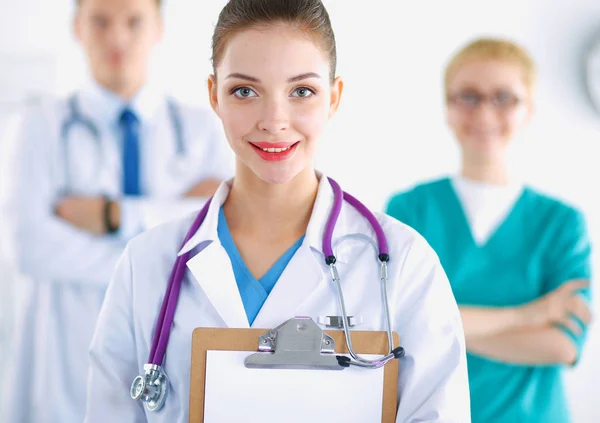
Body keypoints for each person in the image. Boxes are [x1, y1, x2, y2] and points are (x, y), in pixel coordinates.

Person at [83, 0, 471, 421]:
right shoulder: (147, 264)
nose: (274, 120)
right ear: (215, 95)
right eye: (244, 91)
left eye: (301, 91)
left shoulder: (403, 264)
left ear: (334, 97)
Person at [0, 0, 233, 421]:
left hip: (166, 339)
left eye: (133, 21)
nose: (118, 37)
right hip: (66, 356)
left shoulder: (202, 129)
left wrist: (113, 217)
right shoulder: (41, 127)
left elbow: (220, 231)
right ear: (78, 27)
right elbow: (31, 246)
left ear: (158, 27)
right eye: (101, 21)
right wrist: (163, 238)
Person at [386, 38, 593, 423]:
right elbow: (394, 326)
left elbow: (562, 344)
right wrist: (528, 315)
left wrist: (441, 328)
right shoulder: (409, 210)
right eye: (468, 96)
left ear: (529, 110)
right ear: (447, 108)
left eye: (503, 97)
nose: (483, 113)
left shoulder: (562, 223)